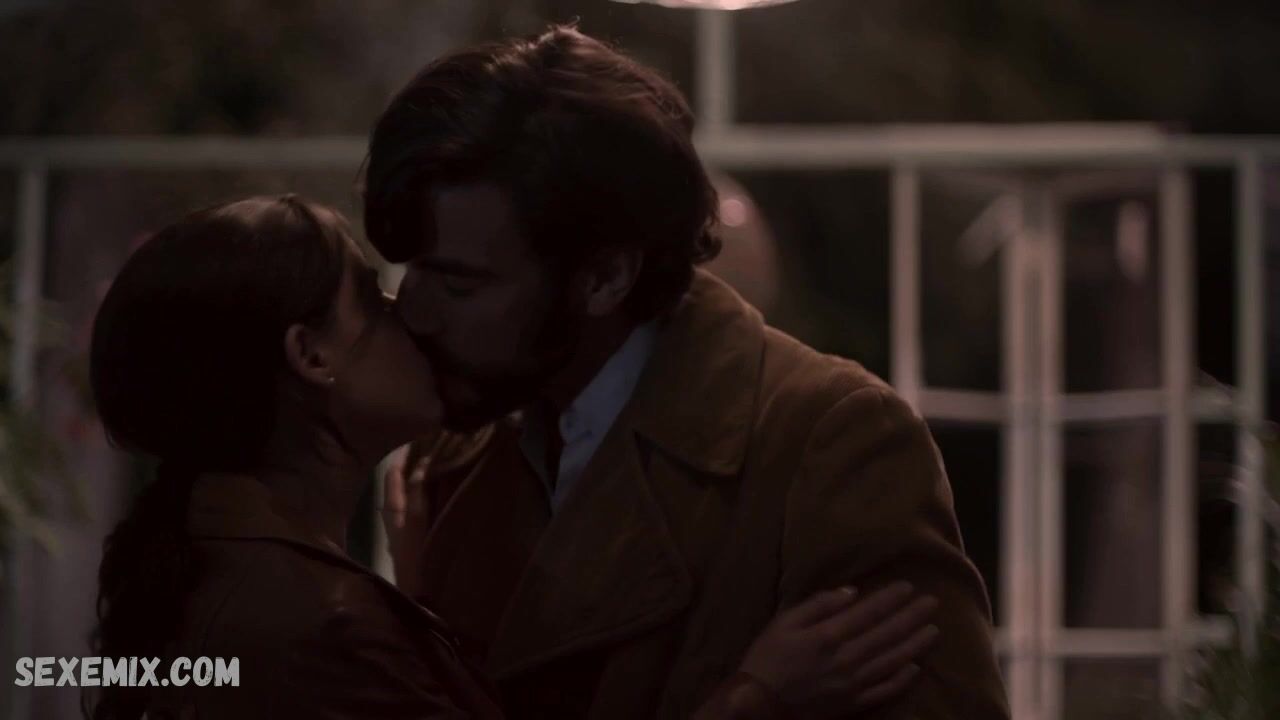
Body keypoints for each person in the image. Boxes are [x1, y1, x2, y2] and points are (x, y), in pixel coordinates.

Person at [365, 25, 1010, 720]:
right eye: (411, 270)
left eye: (458, 283)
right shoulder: (453, 452)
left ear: (604, 278)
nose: (413, 310)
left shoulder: (829, 442)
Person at [84, 195, 938, 720]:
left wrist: (415, 605)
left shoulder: (223, 564)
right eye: (371, 297)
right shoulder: (320, 628)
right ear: (311, 356)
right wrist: (761, 696)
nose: (411, 312)